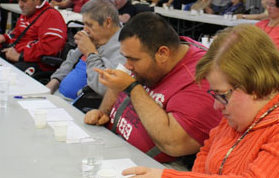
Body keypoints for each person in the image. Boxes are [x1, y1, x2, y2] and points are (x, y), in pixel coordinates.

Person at [118, 24, 279, 178]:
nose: (216, 105)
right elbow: (206, 153)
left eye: (222, 94)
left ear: (254, 85)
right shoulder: (240, 116)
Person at [83, 12, 222, 164]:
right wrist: (104, 111)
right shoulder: (142, 55)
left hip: (148, 170)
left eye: (133, 59)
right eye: (125, 57)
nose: (127, 65)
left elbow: (173, 144)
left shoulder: (201, 79)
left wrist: (132, 87)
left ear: (163, 54)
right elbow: (120, 78)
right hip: (110, 146)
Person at [46, 0, 124, 100]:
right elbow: (70, 60)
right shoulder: (95, 37)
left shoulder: (123, 49)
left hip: (78, 106)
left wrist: (91, 53)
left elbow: (104, 88)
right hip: (56, 95)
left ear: (107, 22)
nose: (85, 30)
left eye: (89, 25)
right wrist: (53, 83)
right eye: (84, 24)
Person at [0, 0, 67, 75]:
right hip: (20, 57)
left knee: (2, 76)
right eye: (18, 0)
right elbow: (16, 35)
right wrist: (3, 38)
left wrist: (21, 56)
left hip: (37, 64)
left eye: (24, 1)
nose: (20, 5)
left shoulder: (51, 16)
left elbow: (50, 48)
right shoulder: (27, 13)